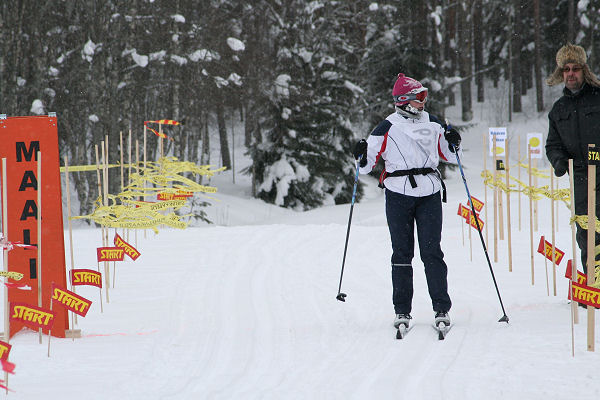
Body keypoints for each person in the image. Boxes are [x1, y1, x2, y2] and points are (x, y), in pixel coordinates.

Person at [352, 73, 461, 329]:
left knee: (432, 252)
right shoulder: (386, 127)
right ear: (404, 100)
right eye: (419, 97)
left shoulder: (433, 123)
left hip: (429, 194)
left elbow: (450, 156)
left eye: (425, 96)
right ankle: (402, 310)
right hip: (398, 195)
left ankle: (441, 308)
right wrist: (359, 154)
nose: (423, 102)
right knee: (402, 253)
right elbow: (366, 166)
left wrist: (454, 142)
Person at [545, 43, 600, 283]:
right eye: (566, 69)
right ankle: (592, 283)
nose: (570, 73)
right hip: (579, 178)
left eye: (575, 68)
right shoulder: (559, 109)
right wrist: (559, 162)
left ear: (584, 70)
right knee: (586, 233)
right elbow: (552, 144)